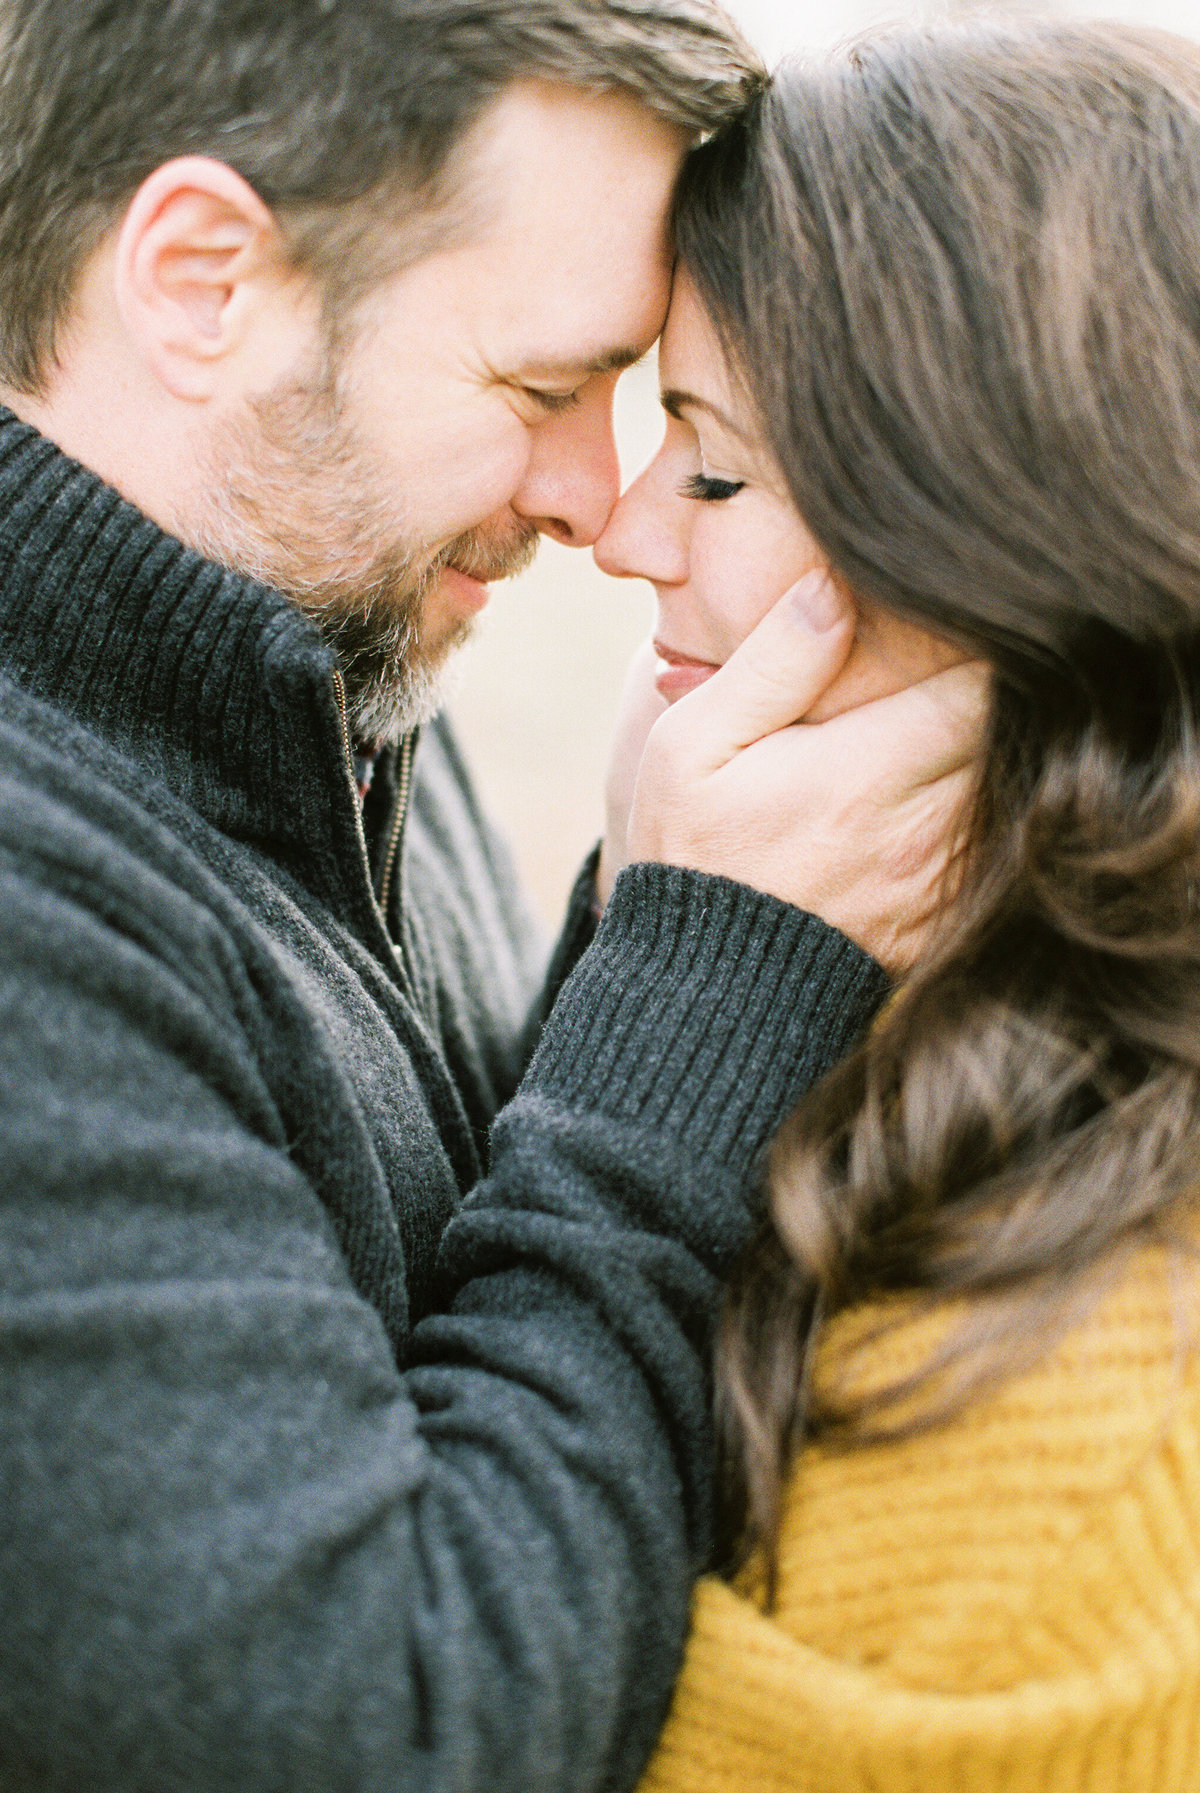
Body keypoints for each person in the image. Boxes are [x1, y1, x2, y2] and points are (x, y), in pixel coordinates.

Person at [0, 3, 983, 1788]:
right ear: (205, 278)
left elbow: (442, 1292)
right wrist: (696, 990)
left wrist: (661, 892)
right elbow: (380, 1740)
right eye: (542, 390)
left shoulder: (317, 657)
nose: (595, 496)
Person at [594, 16, 1200, 1789]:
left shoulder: (1090, 1471)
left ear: (994, 551)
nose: (628, 531)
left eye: (708, 464)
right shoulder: (899, 1052)